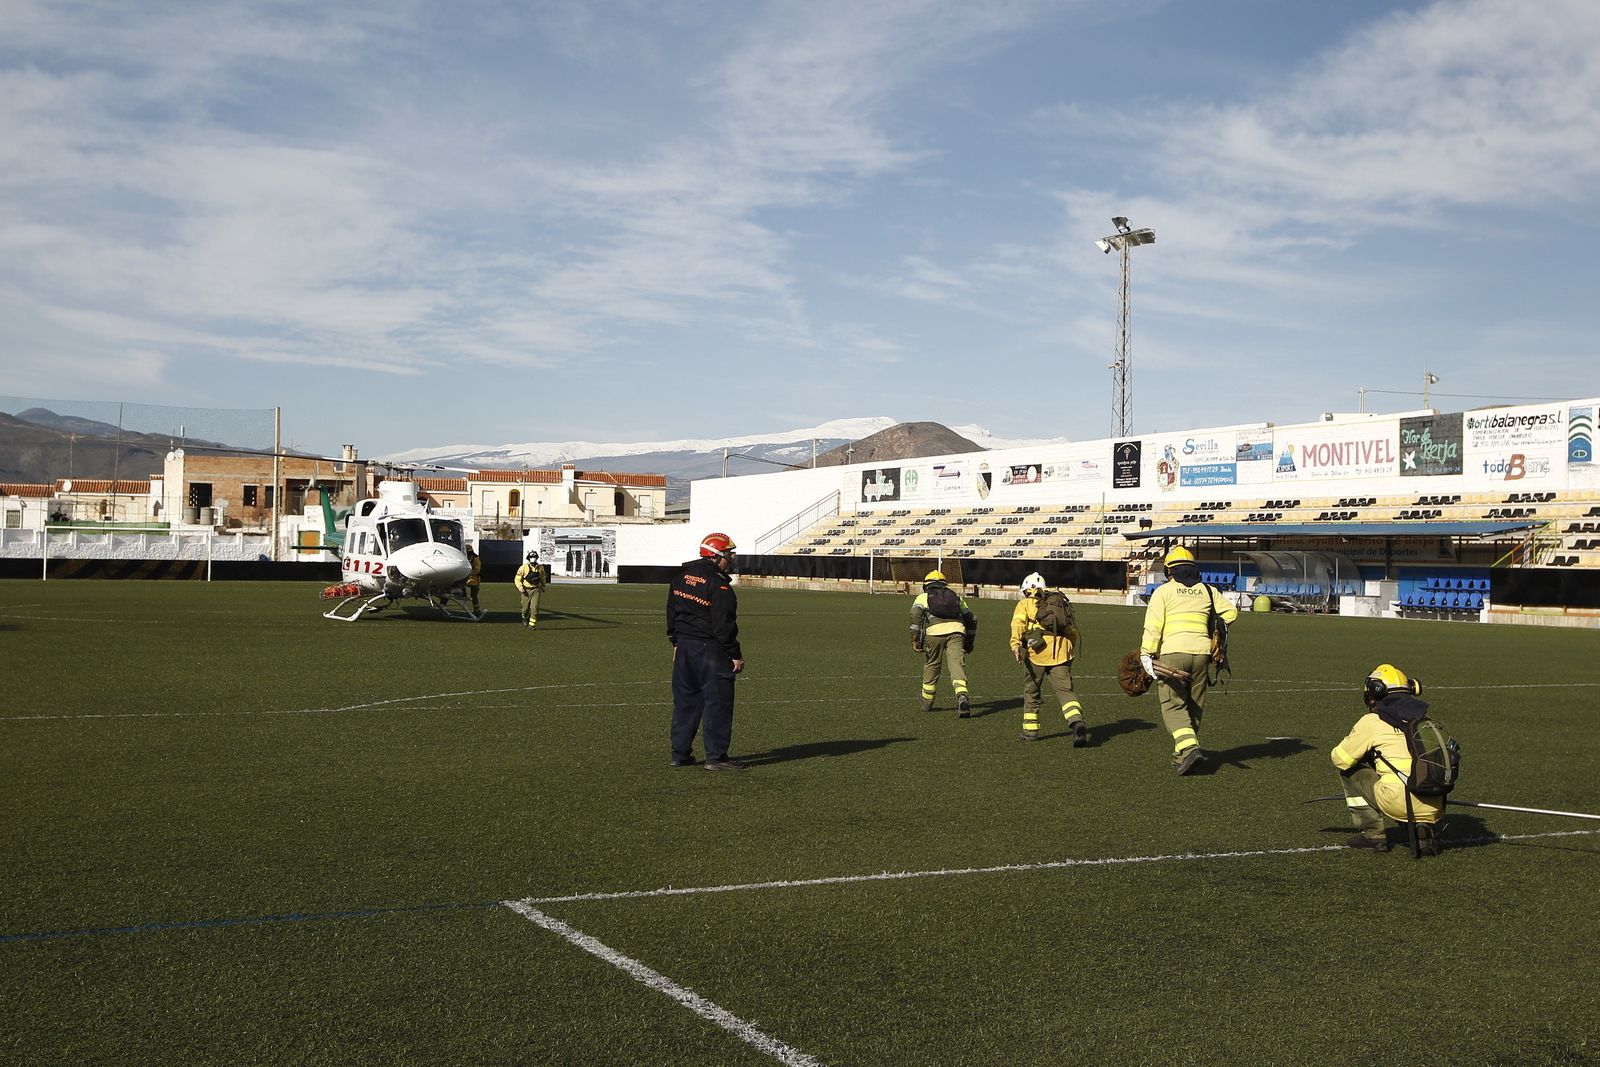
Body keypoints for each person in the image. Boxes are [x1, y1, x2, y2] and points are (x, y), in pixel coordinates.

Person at [1139, 545, 1239, 775]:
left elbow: (1153, 627)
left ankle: (1190, 747)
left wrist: (1146, 653)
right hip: (1202, 654)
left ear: (1169, 571)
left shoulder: (1163, 592)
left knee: (1173, 705)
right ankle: (1182, 755)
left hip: (1173, 654)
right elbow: (1231, 613)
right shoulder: (1208, 590)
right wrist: (1216, 628)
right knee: (1194, 705)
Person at [1330, 664, 1445, 854]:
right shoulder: (1426, 722)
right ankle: (1424, 830)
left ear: (1376, 693)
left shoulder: (1372, 722)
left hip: (1398, 801)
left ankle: (1372, 834)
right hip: (1435, 805)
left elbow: (1339, 759)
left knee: (1350, 771)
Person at [667, 532, 746, 770]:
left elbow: (672, 613)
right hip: (711, 650)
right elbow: (724, 625)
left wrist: (676, 642)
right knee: (718, 703)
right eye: (728, 555)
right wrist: (734, 653)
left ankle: (679, 754)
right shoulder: (719, 585)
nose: (730, 559)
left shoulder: (681, 578)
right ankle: (716, 757)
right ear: (716, 556)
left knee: (685, 702)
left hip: (685, 649)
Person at [1009, 572, 1087, 745]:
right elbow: (1071, 631)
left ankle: (1030, 732)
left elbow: (1018, 625)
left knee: (1032, 690)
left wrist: (1015, 644)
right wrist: (1068, 650)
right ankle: (1076, 721)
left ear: (1026, 591)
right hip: (1061, 650)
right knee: (1066, 691)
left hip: (1038, 652)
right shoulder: (1057, 602)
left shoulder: (1025, 604)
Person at [908, 569, 977, 714]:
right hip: (957, 632)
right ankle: (962, 695)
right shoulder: (956, 597)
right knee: (957, 665)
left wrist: (915, 638)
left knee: (932, 664)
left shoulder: (923, 597)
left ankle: (927, 701)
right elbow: (972, 618)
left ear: (926, 585)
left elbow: (915, 615)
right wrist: (969, 642)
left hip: (934, 633)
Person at [515, 548, 545, 628]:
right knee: (525, 609)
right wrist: (520, 587)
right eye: (532, 557)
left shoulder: (540, 568)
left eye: (535, 556)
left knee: (535, 608)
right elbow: (517, 579)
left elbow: (542, 578)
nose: (533, 558)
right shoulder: (523, 567)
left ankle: (532, 624)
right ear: (528, 558)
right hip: (526, 590)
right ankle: (525, 618)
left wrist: (542, 586)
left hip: (536, 590)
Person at [465, 544, 483, 613]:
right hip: (465, 580)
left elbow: (477, 570)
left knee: (474, 596)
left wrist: (468, 573)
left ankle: (477, 611)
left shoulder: (476, 559)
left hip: (474, 580)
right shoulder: (466, 558)